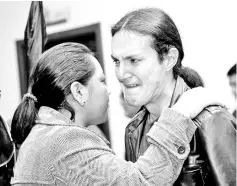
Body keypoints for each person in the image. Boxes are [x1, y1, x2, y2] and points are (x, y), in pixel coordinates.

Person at [10, 42, 221, 186]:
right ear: (78, 91)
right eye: (101, 81)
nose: (108, 89)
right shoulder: (63, 140)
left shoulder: (43, 135)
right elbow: (141, 182)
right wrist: (181, 112)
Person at [111, 7, 236, 185]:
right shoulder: (133, 129)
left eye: (134, 60)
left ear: (169, 59)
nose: (121, 73)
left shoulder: (211, 120)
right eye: (116, 61)